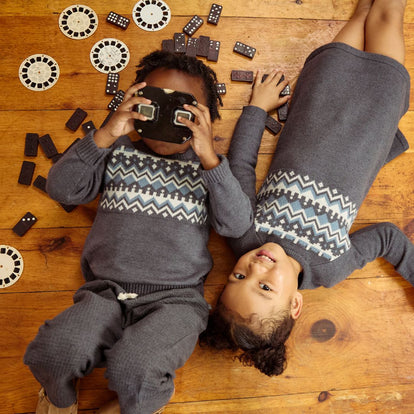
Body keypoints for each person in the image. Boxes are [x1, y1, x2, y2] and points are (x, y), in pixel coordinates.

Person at [23, 51, 252, 414]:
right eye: (153, 105)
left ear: (207, 120)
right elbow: (63, 189)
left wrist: (209, 158)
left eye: (184, 113)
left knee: (136, 368)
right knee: (54, 352)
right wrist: (107, 132)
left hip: (175, 302)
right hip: (105, 294)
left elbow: (237, 223)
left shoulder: (210, 170)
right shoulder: (115, 149)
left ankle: (144, 404)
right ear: (134, 103)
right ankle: (59, 400)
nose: (165, 120)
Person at [200, 0, 414, 377]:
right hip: (372, 117)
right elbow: (387, 239)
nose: (256, 268)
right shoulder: (331, 268)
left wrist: (257, 110)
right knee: (388, 14)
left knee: (363, 15)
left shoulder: (246, 234)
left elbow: (242, 166)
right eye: (266, 288)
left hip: (319, 99)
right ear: (295, 304)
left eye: (239, 277)